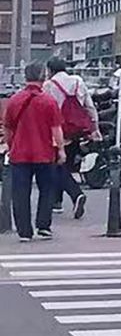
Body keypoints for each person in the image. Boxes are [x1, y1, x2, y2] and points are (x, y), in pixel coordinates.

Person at [3, 62, 64, 241]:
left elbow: (7, 128)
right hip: (44, 153)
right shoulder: (49, 101)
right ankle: (43, 226)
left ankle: (24, 231)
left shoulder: (14, 100)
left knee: (20, 193)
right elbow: (56, 129)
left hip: (19, 153)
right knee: (47, 190)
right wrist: (61, 150)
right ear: (42, 77)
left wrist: (11, 144)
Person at [43, 57, 95, 220]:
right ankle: (56, 202)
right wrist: (95, 127)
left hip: (57, 129)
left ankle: (75, 194)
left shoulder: (49, 85)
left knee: (56, 166)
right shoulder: (78, 81)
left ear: (50, 70)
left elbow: (45, 108)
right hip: (76, 130)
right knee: (64, 165)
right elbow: (89, 105)